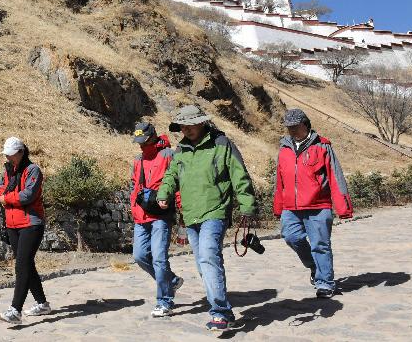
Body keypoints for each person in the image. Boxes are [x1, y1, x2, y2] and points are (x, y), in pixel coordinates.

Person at [157, 105, 257, 332]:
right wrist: (164, 193)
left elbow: (239, 175)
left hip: (216, 211)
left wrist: (247, 205)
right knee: (203, 262)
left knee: (208, 257)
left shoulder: (222, 145)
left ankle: (220, 312)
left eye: (189, 125)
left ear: (201, 122)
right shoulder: (180, 150)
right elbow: (172, 174)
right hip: (190, 214)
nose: (185, 129)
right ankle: (223, 308)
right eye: (182, 126)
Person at [273, 109, 353, 298]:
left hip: (318, 206)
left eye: (295, 126)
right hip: (290, 207)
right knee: (291, 237)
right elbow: (279, 180)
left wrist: (343, 207)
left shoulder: (323, 146)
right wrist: (278, 206)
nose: (291, 130)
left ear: (305, 124)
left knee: (320, 245)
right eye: (288, 127)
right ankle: (314, 267)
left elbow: (335, 176)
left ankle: (325, 283)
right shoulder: (284, 149)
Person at [129, 122, 184, 317]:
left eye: (143, 142)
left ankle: (165, 301)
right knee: (140, 256)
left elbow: (177, 182)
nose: (141, 146)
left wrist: (180, 207)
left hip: (161, 215)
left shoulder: (168, 155)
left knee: (160, 258)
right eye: (138, 143)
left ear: (153, 137)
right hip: (141, 215)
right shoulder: (138, 160)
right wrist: (134, 207)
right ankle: (171, 280)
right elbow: (134, 184)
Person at [0, 136, 50, 323]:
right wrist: (8, 196)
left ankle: (15, 310)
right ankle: (42, 304)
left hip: (31, 224)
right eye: (6, 155)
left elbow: (28, 195)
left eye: (11, 155)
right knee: (27, 264)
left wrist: (7, 198)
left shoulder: (33, 170)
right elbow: (0, 190)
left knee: (21, 265)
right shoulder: (7, 171)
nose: (8, 158)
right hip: (12, 224)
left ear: (21, 152)